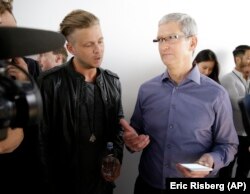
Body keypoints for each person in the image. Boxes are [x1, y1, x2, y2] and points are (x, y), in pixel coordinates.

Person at [120, 13, 238, 193]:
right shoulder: (146, 90)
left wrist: (211, 160)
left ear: (192, 43)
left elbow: (229, 145)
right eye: (159, 40)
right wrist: (131, 142)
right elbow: (136, 133)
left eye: (172, 38)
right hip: (148, 185)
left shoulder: (216, 94)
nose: (164, 46)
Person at [38, 9, 124, 194]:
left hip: (101, 184)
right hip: (62, 185)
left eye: (101, 41)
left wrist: (115, 156)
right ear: (70, 48)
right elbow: (40, 141)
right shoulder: (50, 83)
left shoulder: (113, 81)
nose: (98, 49)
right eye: (89, 44)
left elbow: (117, 130)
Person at [0, 0, 42, 193]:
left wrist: (27, 87)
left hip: (27, 173)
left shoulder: (30, 67)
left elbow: (42, 124)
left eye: (14, 32)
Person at [220, 45, 250, 178]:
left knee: (245, 168)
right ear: (238, 60)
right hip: (234, 135)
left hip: (248, 134)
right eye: (249, 58)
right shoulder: (228, 79)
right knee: (227, 169)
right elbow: (238, 104)